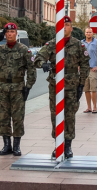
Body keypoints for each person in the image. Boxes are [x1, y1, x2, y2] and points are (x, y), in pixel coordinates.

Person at [35, 16, 90, 159]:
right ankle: (58, 144)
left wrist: (82, 84)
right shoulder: (52, 44)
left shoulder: (79, 45)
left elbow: (85, 65)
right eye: (62, 25)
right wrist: (43, 64)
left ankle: (68, 146)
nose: (64, 27)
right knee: (56, 115)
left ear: (71, 28)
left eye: (67, 25)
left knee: (70, 116)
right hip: (55, 85)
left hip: (72, 86)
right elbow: (38, 58)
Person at [0, 22, 36, 157]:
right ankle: (7, 145)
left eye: (12, 32)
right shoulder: (0, 49)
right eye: (7, 32)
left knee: (18, 118)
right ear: (5, 35)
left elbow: (31, 69)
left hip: (18, 89)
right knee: (3, 117)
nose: (10, 34)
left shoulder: (24, 49)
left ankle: (17, 146)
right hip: (2, 88)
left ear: (16, 34)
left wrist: (28, 86)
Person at [82, 26, 97, 114]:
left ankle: (95, 107)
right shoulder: (81, 43)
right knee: (86, 89)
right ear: (85, 33)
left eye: (90, 32)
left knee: (93, 89)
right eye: (87, 32)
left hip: (93, 69)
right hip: (84, 70)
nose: (88, 34)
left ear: (93, 33)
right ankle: (89, 107)